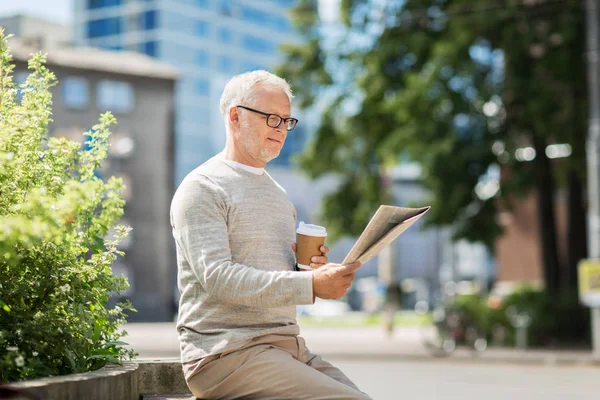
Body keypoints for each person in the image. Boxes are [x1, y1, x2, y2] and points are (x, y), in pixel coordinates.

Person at [170, 70, 371, 400]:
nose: (281, 130)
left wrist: (311, 272)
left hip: (287, 347)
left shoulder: (278, 195)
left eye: (287, 121)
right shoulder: (202, 188)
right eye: (272, 119)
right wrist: (309, 285)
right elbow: (218, 278)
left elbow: (273, 278)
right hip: (225, 354)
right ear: (235, 116)